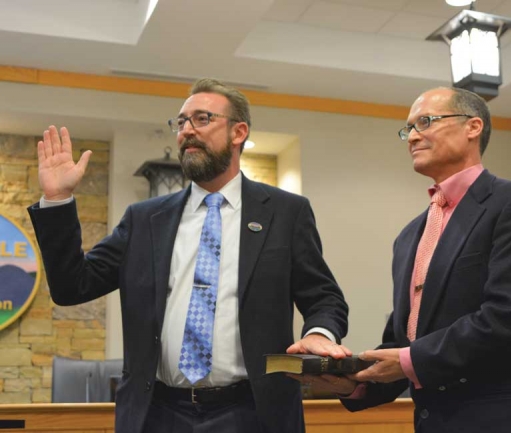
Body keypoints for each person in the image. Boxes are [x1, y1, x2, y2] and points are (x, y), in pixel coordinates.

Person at [27, 78, 350, 433]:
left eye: (202, 119)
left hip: (252, 413)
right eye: (181, 122)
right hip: (158, 414)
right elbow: (73, 286)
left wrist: (319, 334)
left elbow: (323, 296)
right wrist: (57, 201)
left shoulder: (285, 213)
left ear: (238, 131)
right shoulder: (145, 219)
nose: (186, 131)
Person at [293, 87, 511, 433]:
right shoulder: (409, 237)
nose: (412, 136)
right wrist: (353, 381)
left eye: (426, 121)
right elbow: (403, 342)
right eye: (408, 129)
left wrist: (407, 361)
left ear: (473, 127)